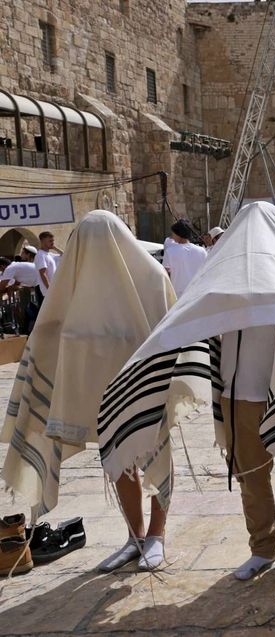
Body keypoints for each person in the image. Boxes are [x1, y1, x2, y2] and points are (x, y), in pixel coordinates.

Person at [97, 202, 275, 581]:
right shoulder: (224, 277)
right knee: (252, 475)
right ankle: (261, 548)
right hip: (240, 397)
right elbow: (190, 314)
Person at [2, 211, 177, 573]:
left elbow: (170, 332)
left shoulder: (152, 278)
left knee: (154, 456)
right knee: (117, 462)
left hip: (147, 389)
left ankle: (157, 535)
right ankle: (135, 536)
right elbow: (49, 332)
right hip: (101, 396)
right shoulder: (73, 285)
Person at [162, 219, 207, 295]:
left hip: (178, 294)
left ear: (179, 234)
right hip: (197, 293)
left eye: (173, 233)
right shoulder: (202, 251)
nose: (172, 236)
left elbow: (165, 274)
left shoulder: (170, 252)